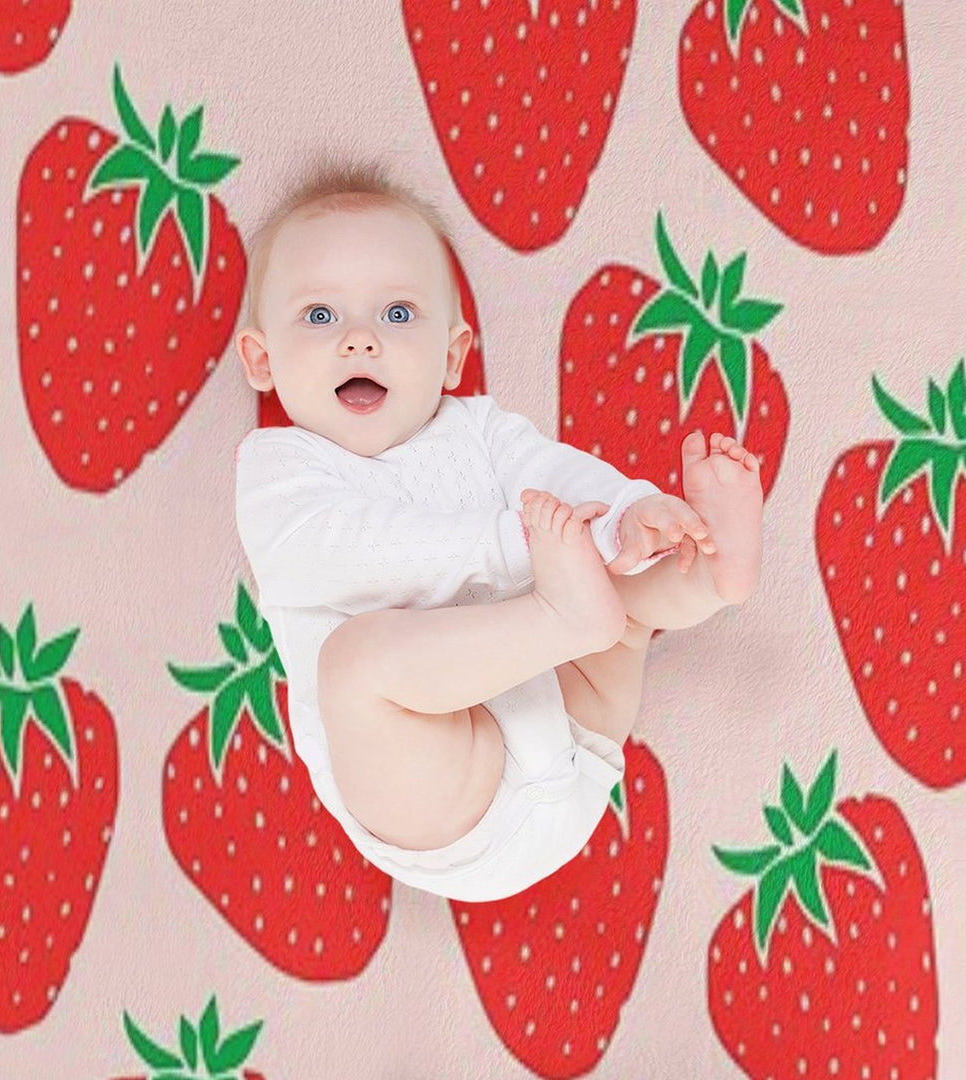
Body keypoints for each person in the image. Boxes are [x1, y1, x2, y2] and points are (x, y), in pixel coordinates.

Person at [233, 157, 764, 902]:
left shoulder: (476, 429)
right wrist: (517, 548)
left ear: (452, 356)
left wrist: (626, 516)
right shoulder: (279, 469)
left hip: (576, 731)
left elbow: (561, 479)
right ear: (262, 359)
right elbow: (349, 551)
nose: (360, 340)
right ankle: (568, 614)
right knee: (355, 665)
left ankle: (708, 572)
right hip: (447, 796)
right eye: (321, 316)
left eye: (397, 314)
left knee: (623, 587)